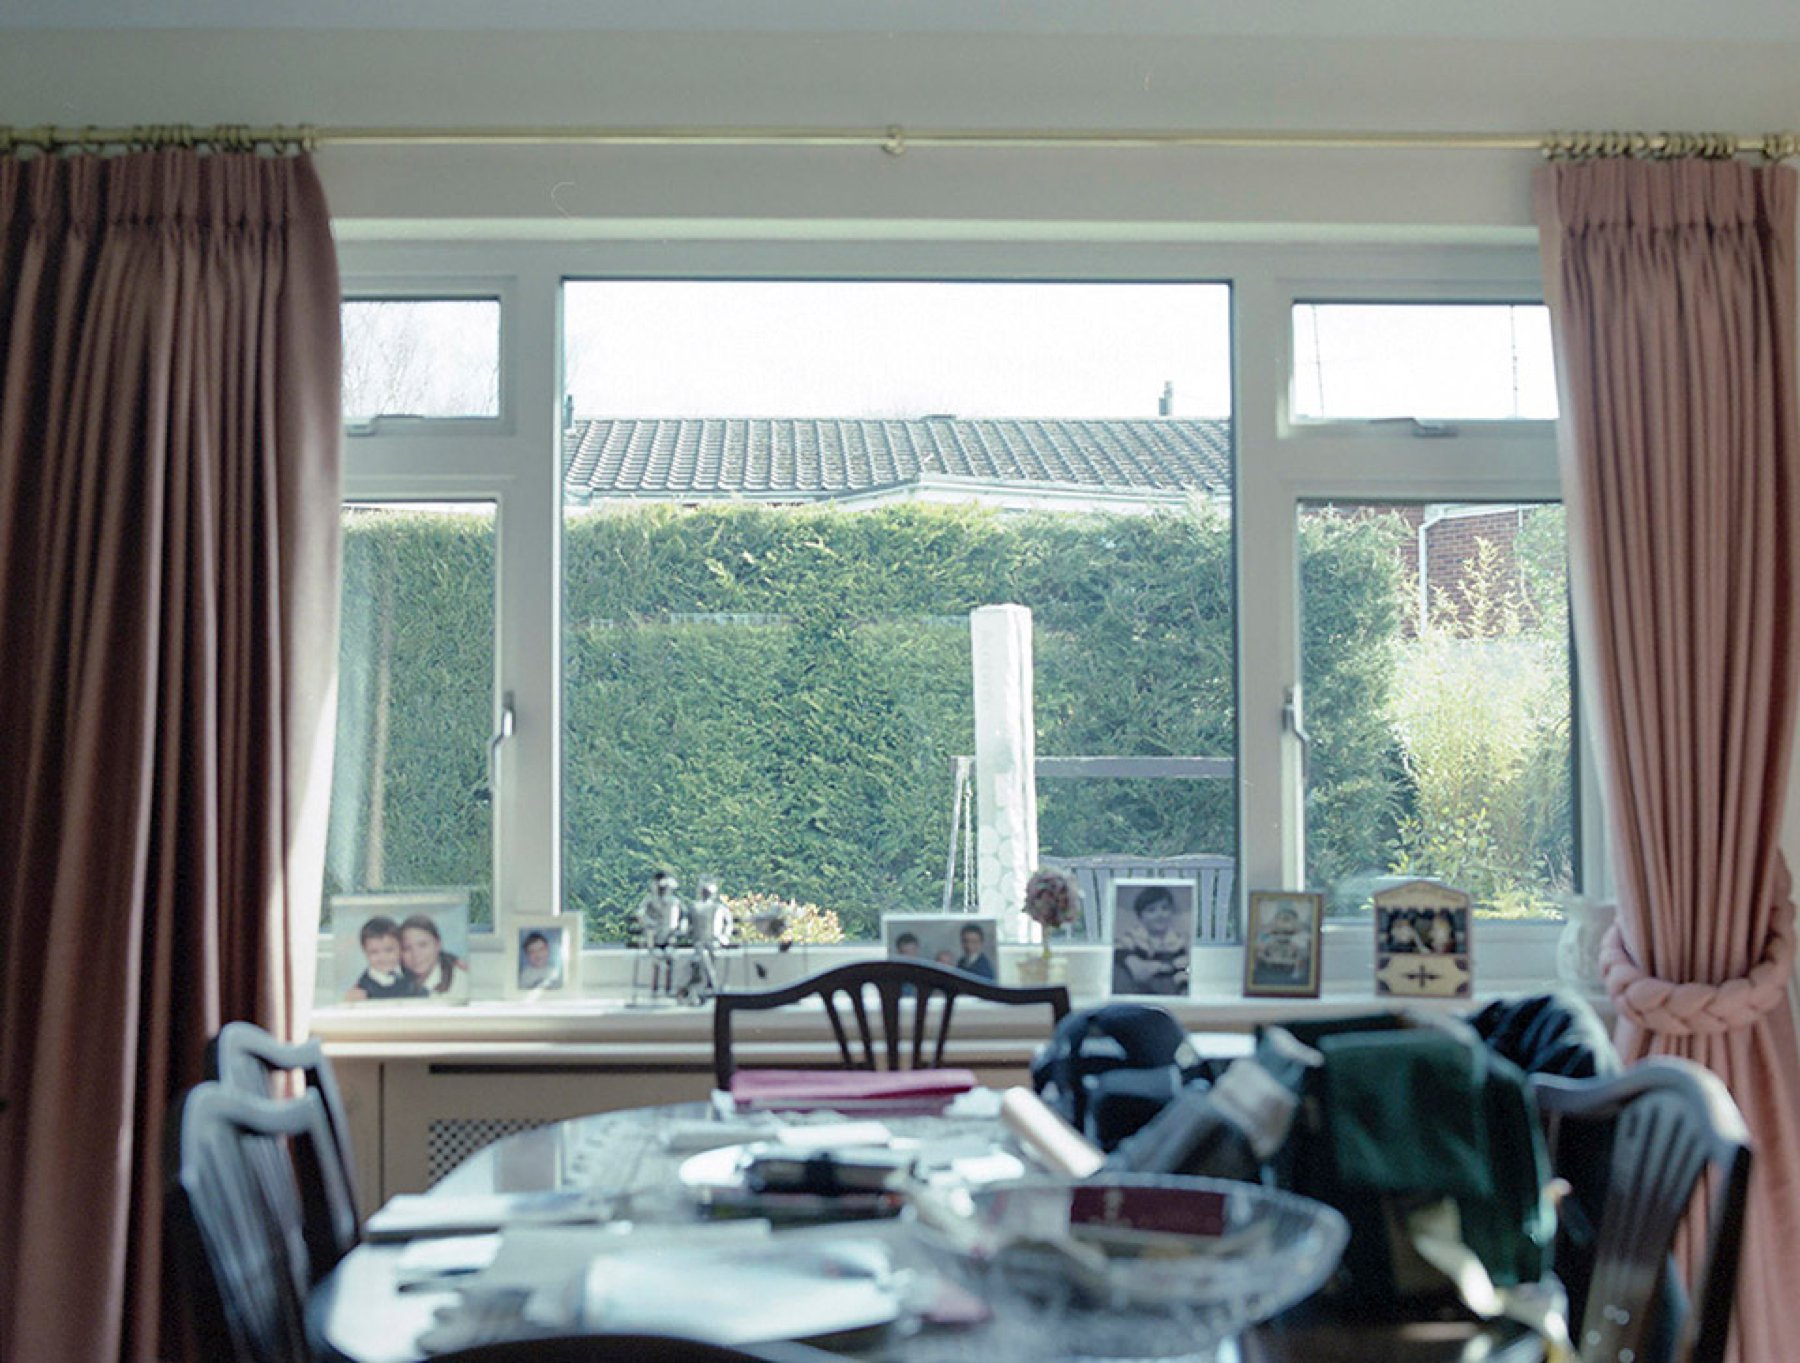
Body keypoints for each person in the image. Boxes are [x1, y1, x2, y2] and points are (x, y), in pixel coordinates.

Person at [1112, 885, 1190, 995]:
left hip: (1166, 988)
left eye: (1165, 908)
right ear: (1140, 916)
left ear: (1172, 912)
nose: (1160, 915)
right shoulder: (1134, 936)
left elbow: (1182, 968)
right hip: (1137, 988)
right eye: (1151, 910)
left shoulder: (1177, 941)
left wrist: (1183, 988)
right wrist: (1131, 960)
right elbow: (1118, 949)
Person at [345, 915, 427, 1002]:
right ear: (365, 952)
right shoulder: (362, 989)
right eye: (374, 952)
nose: (383, 957)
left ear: (400, 948)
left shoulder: (413, 977)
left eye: (389, 950)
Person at [401, 913, 468, 996]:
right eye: (407, 948)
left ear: (438, 945)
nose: (415, 954)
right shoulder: (399, 978)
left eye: (423, 945)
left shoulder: (459, 983)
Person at [1251, 903, 1310, 986]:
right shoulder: (1269, 932)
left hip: (1291, 951)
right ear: (1275, 920)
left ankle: (1297, 970)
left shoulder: (1298, 934)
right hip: (1271, 953)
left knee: (1299, 948)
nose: (1285, 921)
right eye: (1281, 918)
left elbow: (1303, 938)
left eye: (1288, 918)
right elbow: (1262, 938)